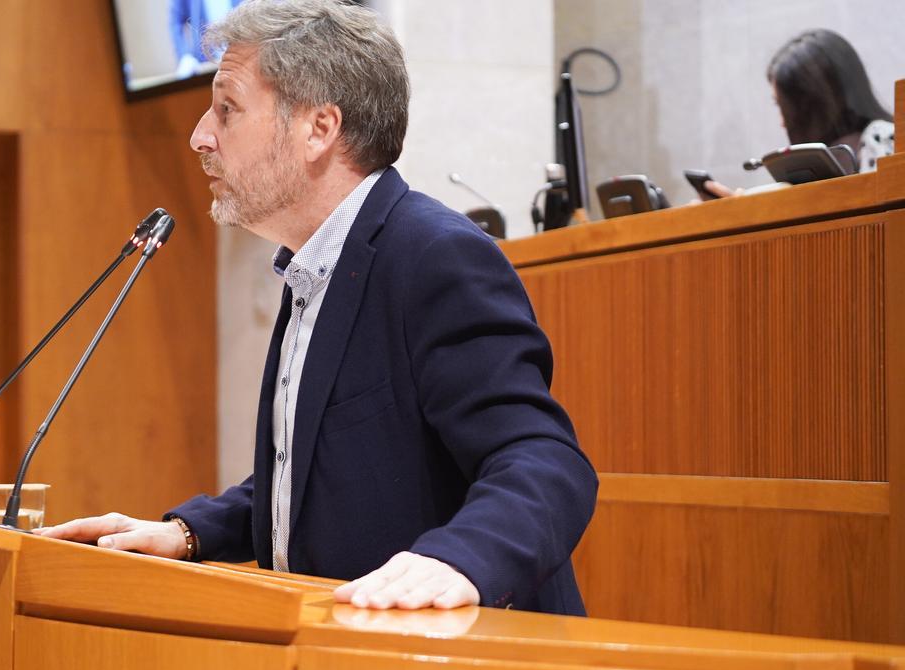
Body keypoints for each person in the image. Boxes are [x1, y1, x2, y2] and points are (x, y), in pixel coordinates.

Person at [37, 0, 598, 614]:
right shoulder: (318, 265)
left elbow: (544, 459)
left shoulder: (435, 257)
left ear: (319, 129)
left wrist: (458, 558)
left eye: (227, 109)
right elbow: (314, 476)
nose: (200, 135)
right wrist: (191, 532)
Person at [707, 28, 894, 198]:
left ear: (813, 103)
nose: (782, 122)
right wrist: (733, 213)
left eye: (783, 107)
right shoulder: (821, 162)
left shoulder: (883, 140)